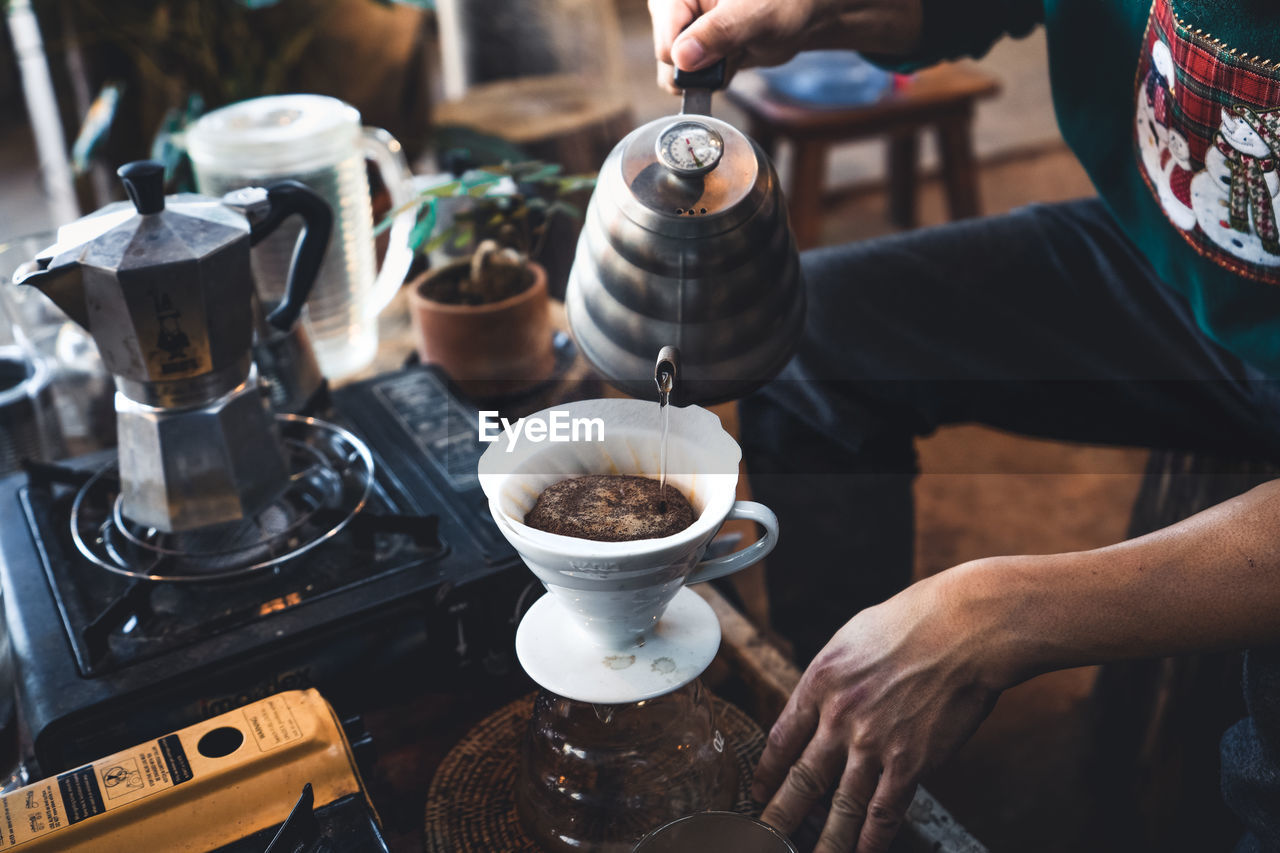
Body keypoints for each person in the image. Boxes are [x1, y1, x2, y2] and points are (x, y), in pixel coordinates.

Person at [646, 1, 1280, 851]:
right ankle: (842, 738)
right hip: (1178, 271)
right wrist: (814, 13)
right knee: (810, 343)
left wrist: (1004, 611)